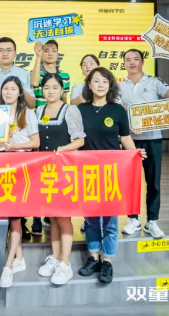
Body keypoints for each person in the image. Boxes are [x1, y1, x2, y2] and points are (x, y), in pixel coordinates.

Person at [76, 67, 147, 284]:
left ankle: (107, 260)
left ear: (110, 85)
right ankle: (93, 257)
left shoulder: (118, 110)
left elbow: (125, 139)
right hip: (87, 172)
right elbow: (75, 140)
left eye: (105, 81)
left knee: (110, 219)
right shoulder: (79, 110)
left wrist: (135, 152)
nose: (100, 85)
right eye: (96, 81)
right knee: (90, 218)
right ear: (89, 85)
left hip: (111, 172)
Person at [0, 76, 39, 288]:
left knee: (15, 216)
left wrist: (15, 147)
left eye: (13, 89)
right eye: (5, 89)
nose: (8, 92)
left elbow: (36, 141)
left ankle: (9, 265)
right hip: (1, 164)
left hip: (21, 165)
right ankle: (19, 258)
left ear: (20, 92)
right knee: (8, 215)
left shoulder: (28, 113)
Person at [119, 49, 169, 239]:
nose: (132, 62)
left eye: (136, 59)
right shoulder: (119, 86)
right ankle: (133, 219)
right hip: (129, 141)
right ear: (124, 63)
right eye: (128, 60)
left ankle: (152, 221)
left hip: (153, 139)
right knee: (130, 183)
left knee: (153, 182)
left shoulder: (154, 81)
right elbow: (118, 110)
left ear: (142, 62)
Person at [35, 73, 85, 286]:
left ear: (62, 90)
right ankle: (55, 257)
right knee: (52, 216)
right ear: (42, 90)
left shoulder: (70, 110)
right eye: (47, 87)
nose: (50, 91)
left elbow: (80, 140)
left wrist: (63, 149)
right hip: (45, 171)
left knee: (63, 217)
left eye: (55, 87)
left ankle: (66, 263)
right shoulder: (38, 111)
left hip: (64, 170)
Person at [30, 39, 71, 235]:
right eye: (45, 50)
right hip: (38, 123)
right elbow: (34, 83)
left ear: (58, 54)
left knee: (54, 176)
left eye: (53, 50)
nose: (49, 53)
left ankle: (50, 212)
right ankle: (36, 217)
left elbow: (66, 99)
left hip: (58, 126)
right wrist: (37, 57)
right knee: (37, 175)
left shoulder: (65, 76)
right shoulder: (37, 72)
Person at [0, 37, 35, 108]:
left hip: (17, 113)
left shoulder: (24, 74)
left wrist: (19, 88)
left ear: (15, 54)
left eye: (9, 50)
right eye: (1, 50)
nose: (5, 54)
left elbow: (32, 105)